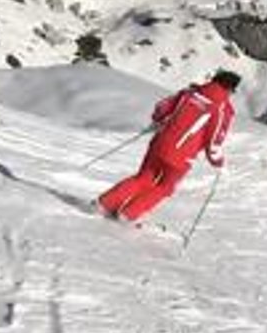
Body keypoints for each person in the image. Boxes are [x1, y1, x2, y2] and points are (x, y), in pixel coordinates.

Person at [98, 70, 239, 222]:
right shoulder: (221, 109)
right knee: (165, 187)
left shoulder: (189, 93)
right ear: (230, 89)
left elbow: (161, 107)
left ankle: (104, 204)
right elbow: (214, 142)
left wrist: (158, 122)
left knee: (143, 178)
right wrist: (218, 163)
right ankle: (129, 214)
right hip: (181, 156)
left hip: (160, 143)